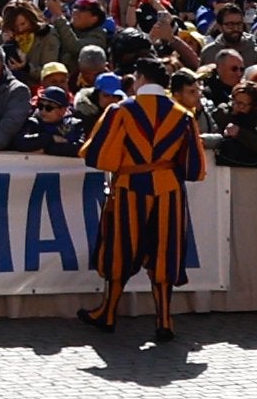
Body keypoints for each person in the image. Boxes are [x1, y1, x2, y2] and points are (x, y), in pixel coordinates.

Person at [79, 64, 208, 339]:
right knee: (165, 253)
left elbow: (97, 156)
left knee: (120, 248)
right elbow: (195, 169)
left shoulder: (121, 110)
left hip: (130, 188)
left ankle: (108, 312)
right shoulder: (183, 115)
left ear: (139, 78)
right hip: (169, 189)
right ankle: (164, 321)